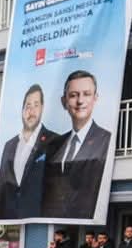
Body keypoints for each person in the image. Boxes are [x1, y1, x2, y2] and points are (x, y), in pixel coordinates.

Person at [37, 71, 111, 222]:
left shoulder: (106, 140)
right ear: (64, 102)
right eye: (73, 95)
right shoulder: (54, 145)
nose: (80, 101)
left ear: (95, 98)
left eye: (87, 94)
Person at [0, 83, 49, 222]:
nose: (31, 111)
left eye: (36, 105)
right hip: (9, 217)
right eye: (28, 106)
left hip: (37, 215)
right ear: (22, 110)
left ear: (42, 108)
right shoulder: (9, 145)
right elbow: (0, 187)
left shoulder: (53, 140)